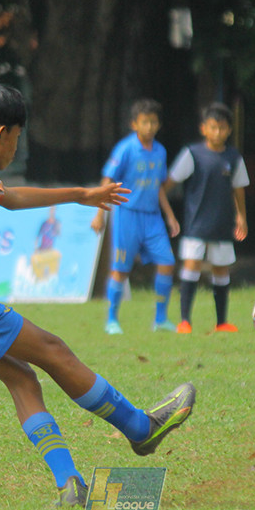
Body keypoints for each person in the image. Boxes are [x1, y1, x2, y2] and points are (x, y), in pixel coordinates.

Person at [0, 82, 195, 508]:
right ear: (1, 134)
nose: (17, 146)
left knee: (21, 376)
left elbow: (9, 197)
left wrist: (84, 195)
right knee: (52, 350)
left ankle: (70, 487)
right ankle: (141, 429)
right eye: (18, 137)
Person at [91, 98, 180, 335]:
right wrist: (100, 213)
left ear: (158, 125)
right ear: (134, 124)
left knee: (168, 263)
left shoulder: (160, 151)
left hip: (152, 218)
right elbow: (107, 181)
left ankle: (160, 319)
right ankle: (112, 320)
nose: (149, 127)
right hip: (126, 215)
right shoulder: (126, 148)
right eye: (144, 122)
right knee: (121, 268)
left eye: (153, 122)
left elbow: (159, 186)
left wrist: (170, 216)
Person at [163, 102, 249, 334]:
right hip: (196, 225)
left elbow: (238, 189)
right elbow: (167, 184)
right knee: (191, 267)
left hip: (222, 224)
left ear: (229, 130)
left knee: (221, 270)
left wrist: (242, 217)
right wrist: (167, 213)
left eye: (222, 128)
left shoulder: (233, 157)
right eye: (213, 127)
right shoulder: (192, 154)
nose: (218, 132)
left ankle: (221, 322)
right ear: (204, 129)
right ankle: (184, 321)